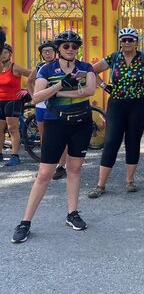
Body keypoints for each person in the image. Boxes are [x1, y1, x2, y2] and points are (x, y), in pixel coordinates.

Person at [11, 30, 96, 243]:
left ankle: (72, 213)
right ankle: (25, 222)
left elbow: (89, 90)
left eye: (74, 46)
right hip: (56, 123)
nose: (70, 49)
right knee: (44, 174)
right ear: (59, 48)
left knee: (75, 168)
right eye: (66, 46)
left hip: (81, 123)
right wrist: (60, 84)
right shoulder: (46, 69)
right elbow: (37, 96)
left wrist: (58, 92)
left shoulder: (86, 67)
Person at [88, 27, 144, 197]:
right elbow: (92, 71)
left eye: (130, 40)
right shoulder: (114, 57)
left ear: (136, 42)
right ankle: (100, 185)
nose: (127, 43)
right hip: (117, 103)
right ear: (120, 42)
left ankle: (130, 181)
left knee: (133, 141)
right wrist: (103, 85)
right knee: (111, 142)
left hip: (138, 104)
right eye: (123, 40)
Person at [27, 40, 68, 179]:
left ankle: (62, 166)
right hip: (41, 107)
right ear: (41, 54)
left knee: (62, 137)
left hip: (57, 105)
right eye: (45, 51)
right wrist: (34, 96)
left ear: (56, 52)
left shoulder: (61, 64)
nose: (47, 53)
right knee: (45, 137)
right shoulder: (39, 66)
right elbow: (29, 81)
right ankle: (45, 167)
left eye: (50, 51)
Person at [0, 43, 31, 166]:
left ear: (10, 54)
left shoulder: (15, 68)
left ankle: (15, 156)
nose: (3, 55)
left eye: (5, 52)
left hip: (13, 101)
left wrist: (27, 90)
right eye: (1, 52)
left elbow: (32, 74)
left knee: (12, 129)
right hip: (0, 101)